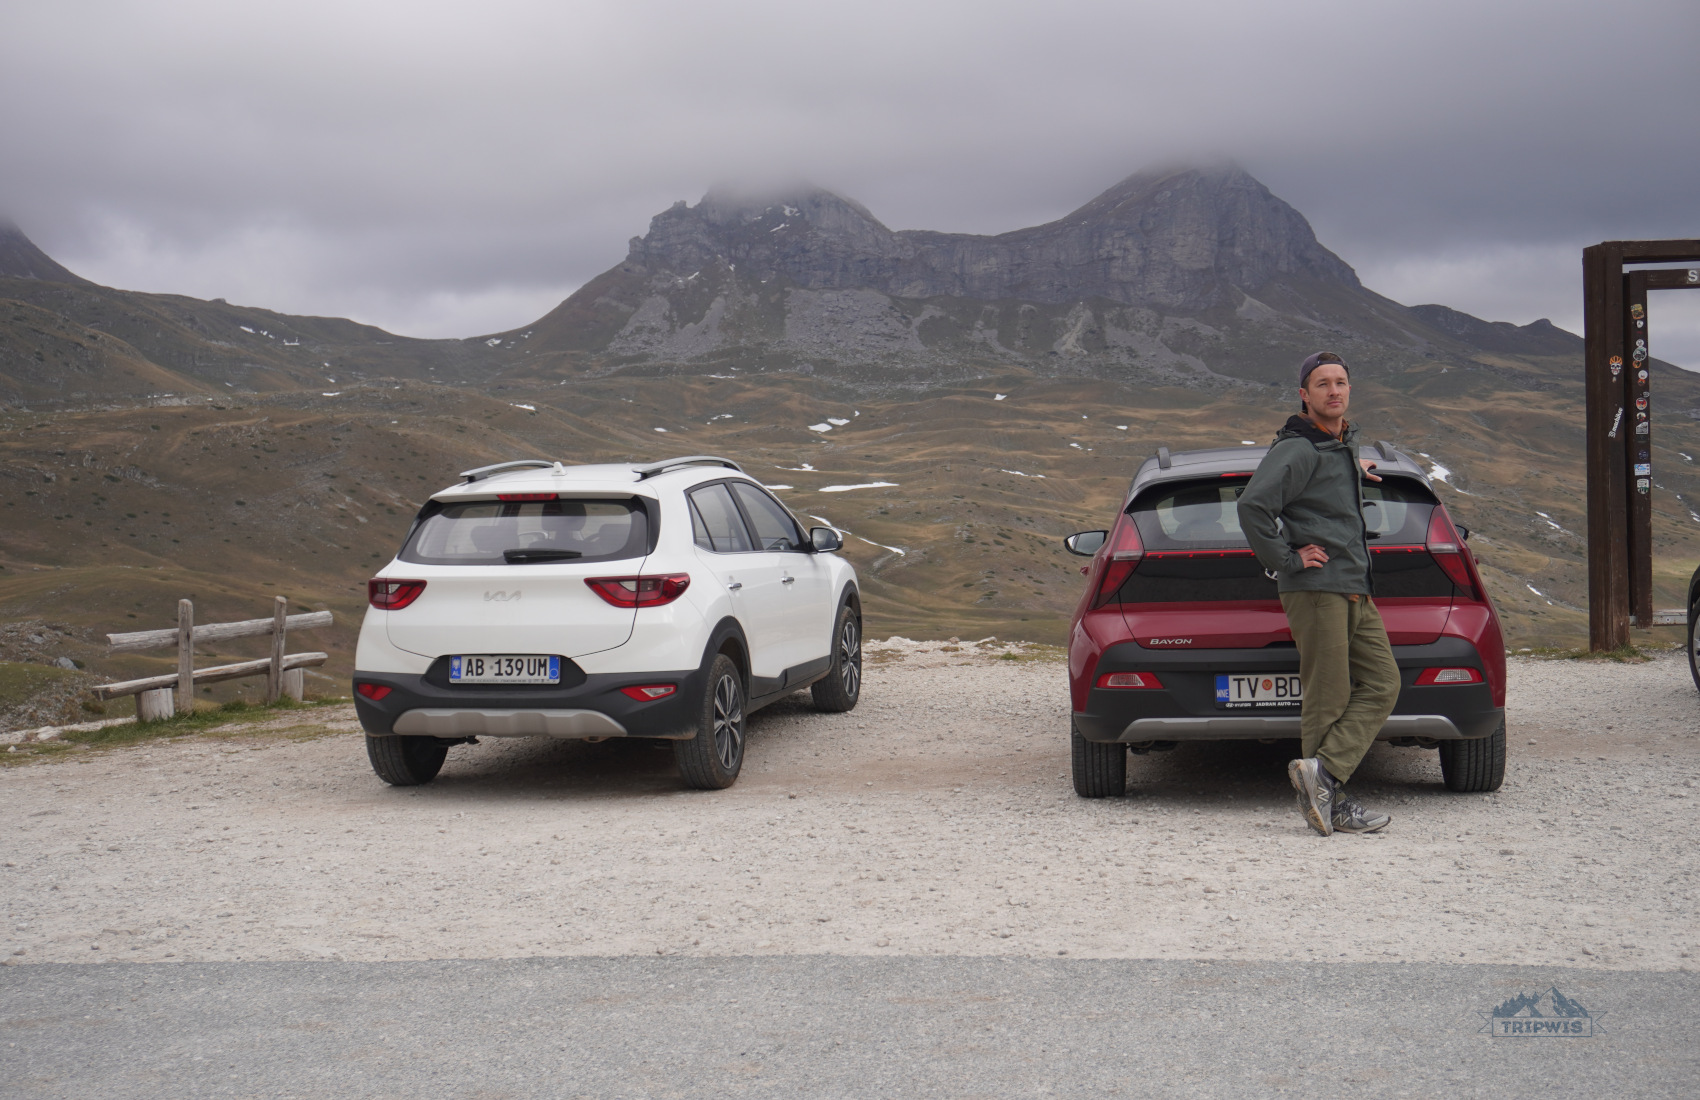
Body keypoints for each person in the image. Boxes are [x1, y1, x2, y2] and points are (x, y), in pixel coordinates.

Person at [1235, 351, 1397, 836]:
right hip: (1318, 588)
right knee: (1327, 698)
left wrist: (1353, 463)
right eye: (1322, 384)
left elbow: (1337, 455)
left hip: (1353, 585)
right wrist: (1286, 559)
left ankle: (1322, 773)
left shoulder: (1337, 443)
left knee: (1383, 683)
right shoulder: (1299, 448)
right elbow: (1253, 507)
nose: (1334, 390)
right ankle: (1332, 800)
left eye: (1341, 382)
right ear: (1304, 395)